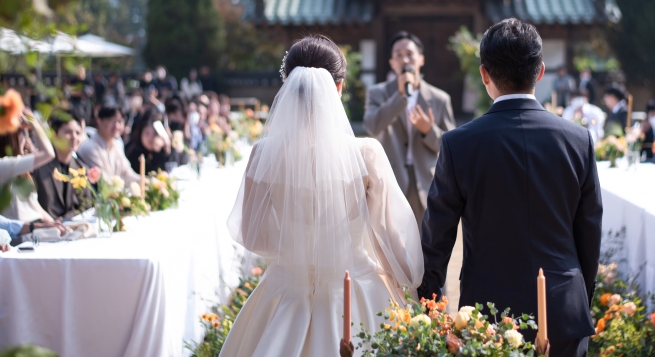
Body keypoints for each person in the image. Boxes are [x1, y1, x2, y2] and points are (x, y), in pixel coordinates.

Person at [220, 35, 422, 357]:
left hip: (284, 289)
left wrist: (294, 250)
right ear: (338, 87)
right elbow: (388, 236)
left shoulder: (263, 154)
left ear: (287, 87)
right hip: (355, 290)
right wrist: (407, 287)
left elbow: (252, 235)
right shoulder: (366, 154)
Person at [419, 18, 602, 357]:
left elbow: (437, 237)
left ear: (484, 74)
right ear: (541, 71)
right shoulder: (578, 140)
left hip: (486, 312)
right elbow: (589, 233)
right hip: (563, 307)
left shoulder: (459, 144)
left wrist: (428, 305)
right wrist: (579, 297)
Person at [363, 31, 456, 227]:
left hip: (427, 181)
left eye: (410, 54)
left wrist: (428, 130)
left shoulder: (439, 98)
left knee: (426, 240)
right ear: (391, 62)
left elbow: (451, 146)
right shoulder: (377, 93)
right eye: (398, 55)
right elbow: (371, 127)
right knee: (393, 241)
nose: (404, 59)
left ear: (421, 59)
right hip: (390, 179)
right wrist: (400, 96)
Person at [30, 112, 87, 220]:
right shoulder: (38, 167)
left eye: (78, 133)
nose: (74, 137)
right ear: (54, 134)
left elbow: (86, 203)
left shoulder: (81, 167)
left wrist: (67, 219)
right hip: (44, 225)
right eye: (68, 132)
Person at [78, 105, 140, 186]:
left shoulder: (117, 145)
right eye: (112, 121)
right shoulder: (89, 148)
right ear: (99, 121)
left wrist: (146, 181)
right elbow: (104, 181)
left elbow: (127, 172)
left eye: (120, 122)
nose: (117, 126)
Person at [125, 108, 187, 174]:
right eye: (147, 133)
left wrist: (167, 151)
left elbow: (174, 169)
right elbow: (150, 174)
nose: (151, 138)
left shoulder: (166, 148)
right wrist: (156, 153)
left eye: (155, 134)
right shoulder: (134, 152)